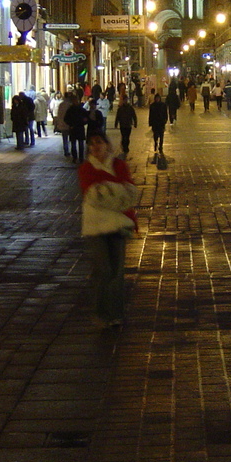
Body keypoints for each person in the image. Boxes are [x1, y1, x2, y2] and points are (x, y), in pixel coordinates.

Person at [78, 132, 140, 327]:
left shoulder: (119, 166)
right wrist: (117, 194)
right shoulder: (86, 169)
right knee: (103, 270)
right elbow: (94, 196)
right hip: (96, 227)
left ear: (107, 145)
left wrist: (109, 192)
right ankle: (100, 313)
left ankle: (115, 313)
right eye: (92, 143)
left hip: (118, 224)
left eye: (99, 142)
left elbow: (130, 194)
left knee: (117, 271)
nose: (95, 146)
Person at [63, 95, 90, 164]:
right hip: (75, 128)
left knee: (79, 144)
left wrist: (83, 122)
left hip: (77, 128)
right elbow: (66, 119)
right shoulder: (73, 109)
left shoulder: (77, 109)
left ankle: (79, 157)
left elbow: (86, 118)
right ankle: (76, 157)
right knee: (74, 144)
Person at [148, 92, 169, 158]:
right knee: (155, 135)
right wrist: (150, 122)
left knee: (161, 135)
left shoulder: (163, 105)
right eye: (156, 98)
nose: (157, 99)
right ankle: (156, 143)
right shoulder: (152, 105)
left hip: (161, 122)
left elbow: (165, 113)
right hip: (155, 122)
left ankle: (160, 146)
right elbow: (150, 115)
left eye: (158, 98)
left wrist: (165, 120)